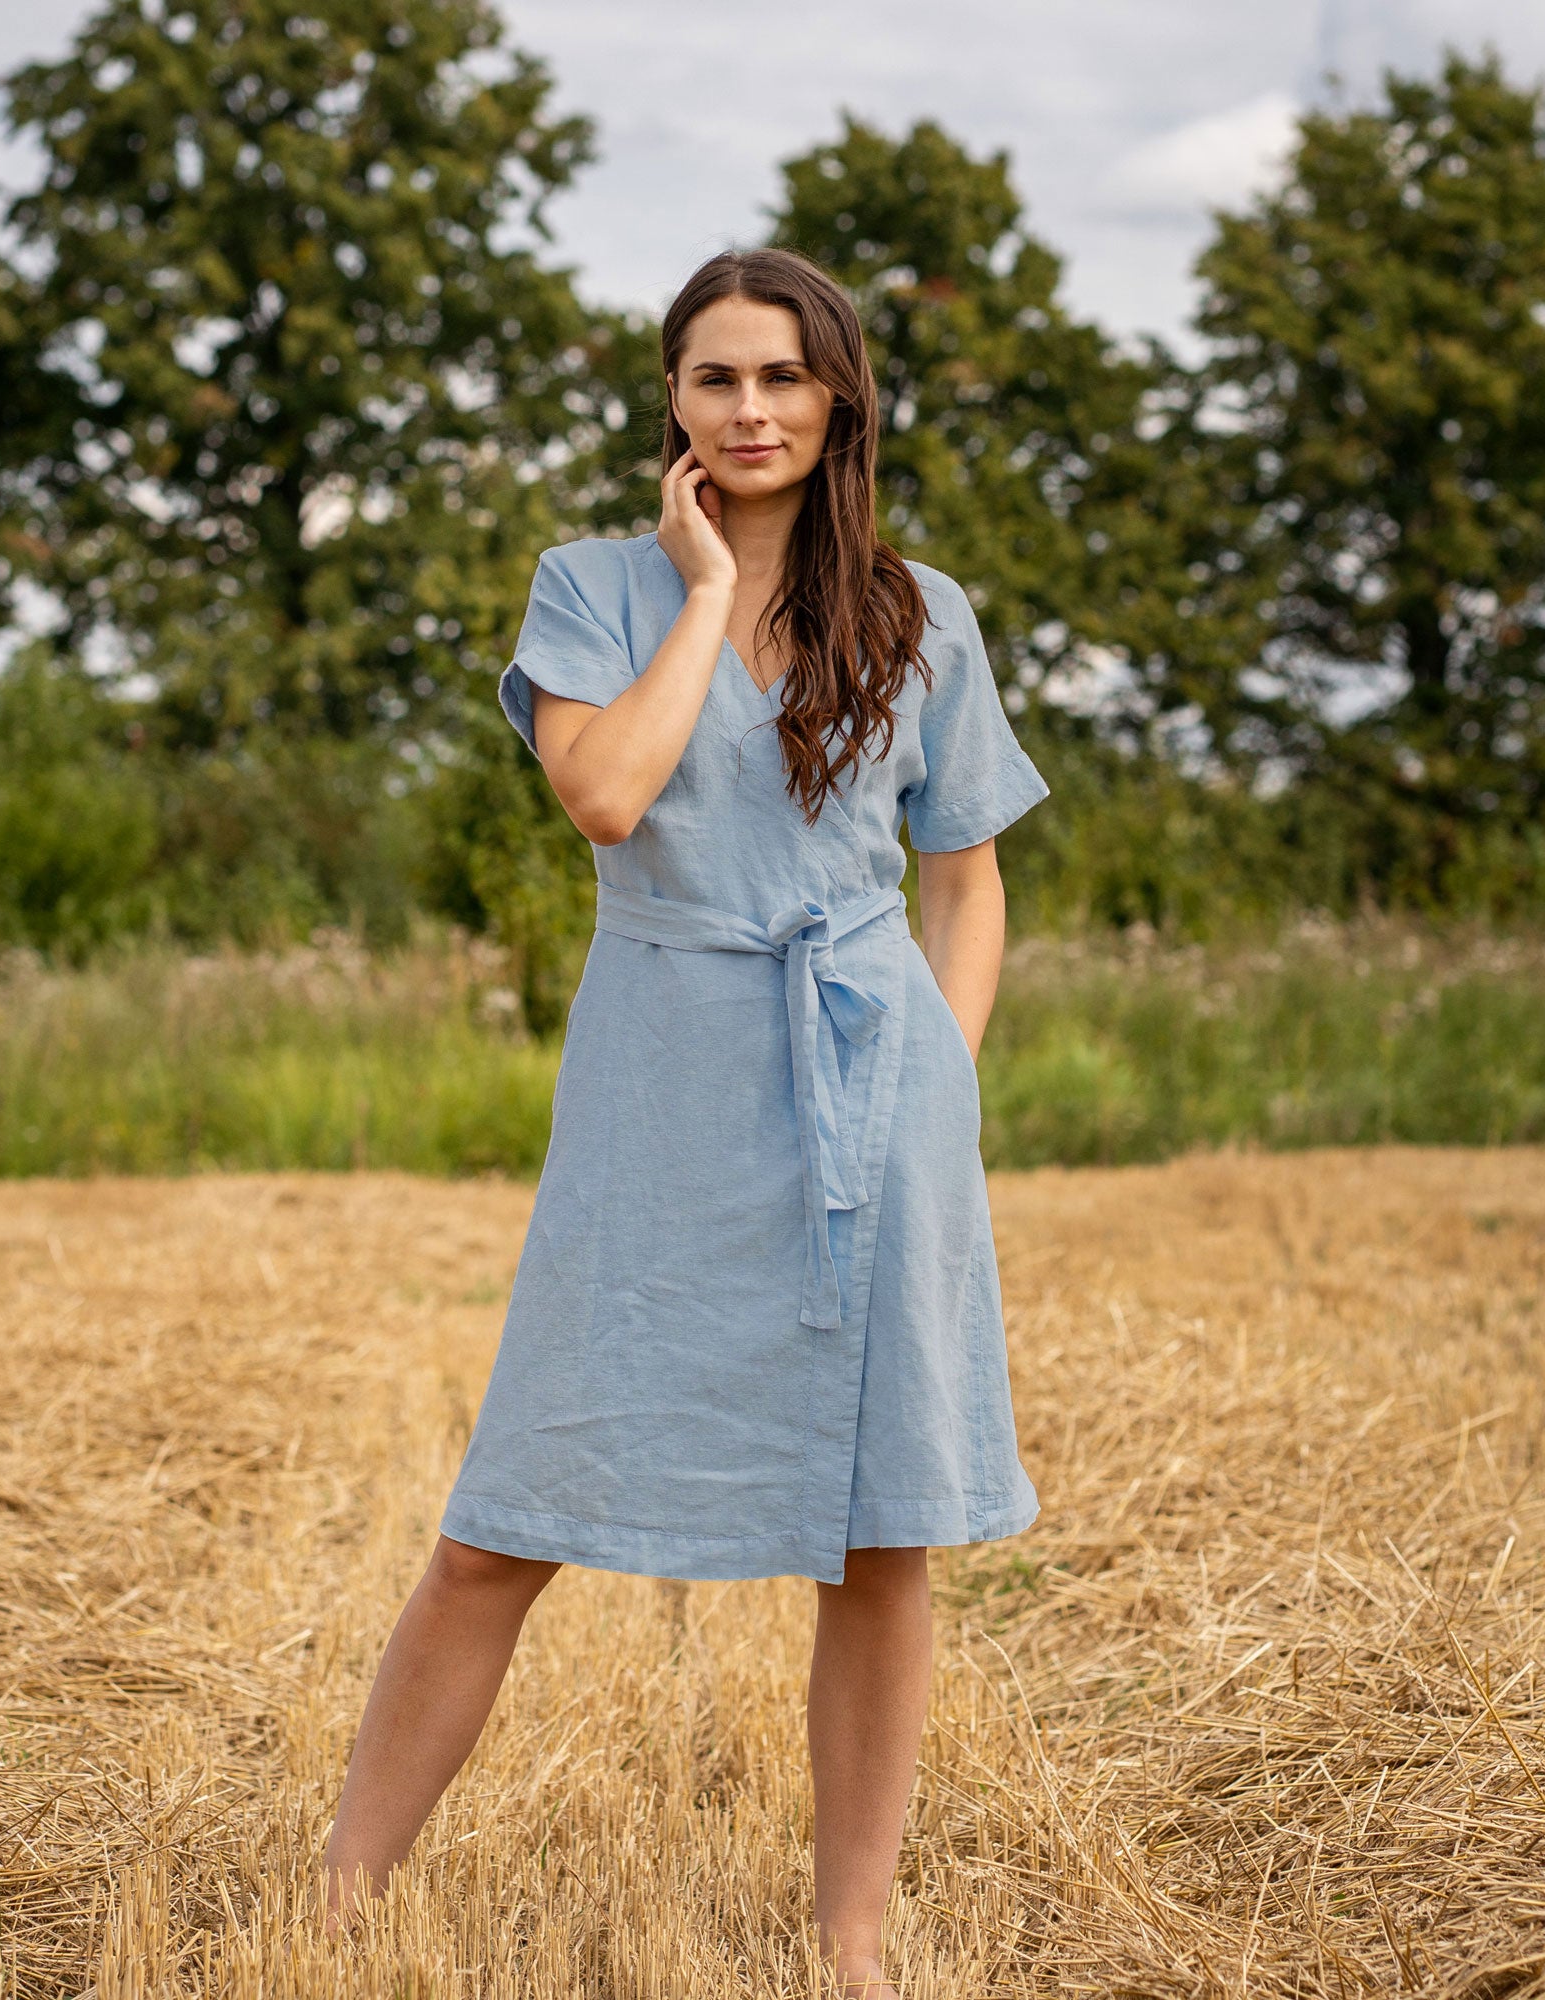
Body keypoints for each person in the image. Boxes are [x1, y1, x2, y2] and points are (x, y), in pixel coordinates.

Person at [320, 245, 1049, 1998]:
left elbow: (967, 885)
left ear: (838, 400)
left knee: (882, 1535)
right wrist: (706, 592)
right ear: (673, 401)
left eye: (783, 379)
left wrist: (935, 1079)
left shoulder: (924, 613)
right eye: (716, 378)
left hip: (872, 1082)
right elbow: (607, 793)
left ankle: (852, 1943)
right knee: (508, 1516)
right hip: (660, 1074)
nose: (750, 409)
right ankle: (334, 1903)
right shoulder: (592, 585)